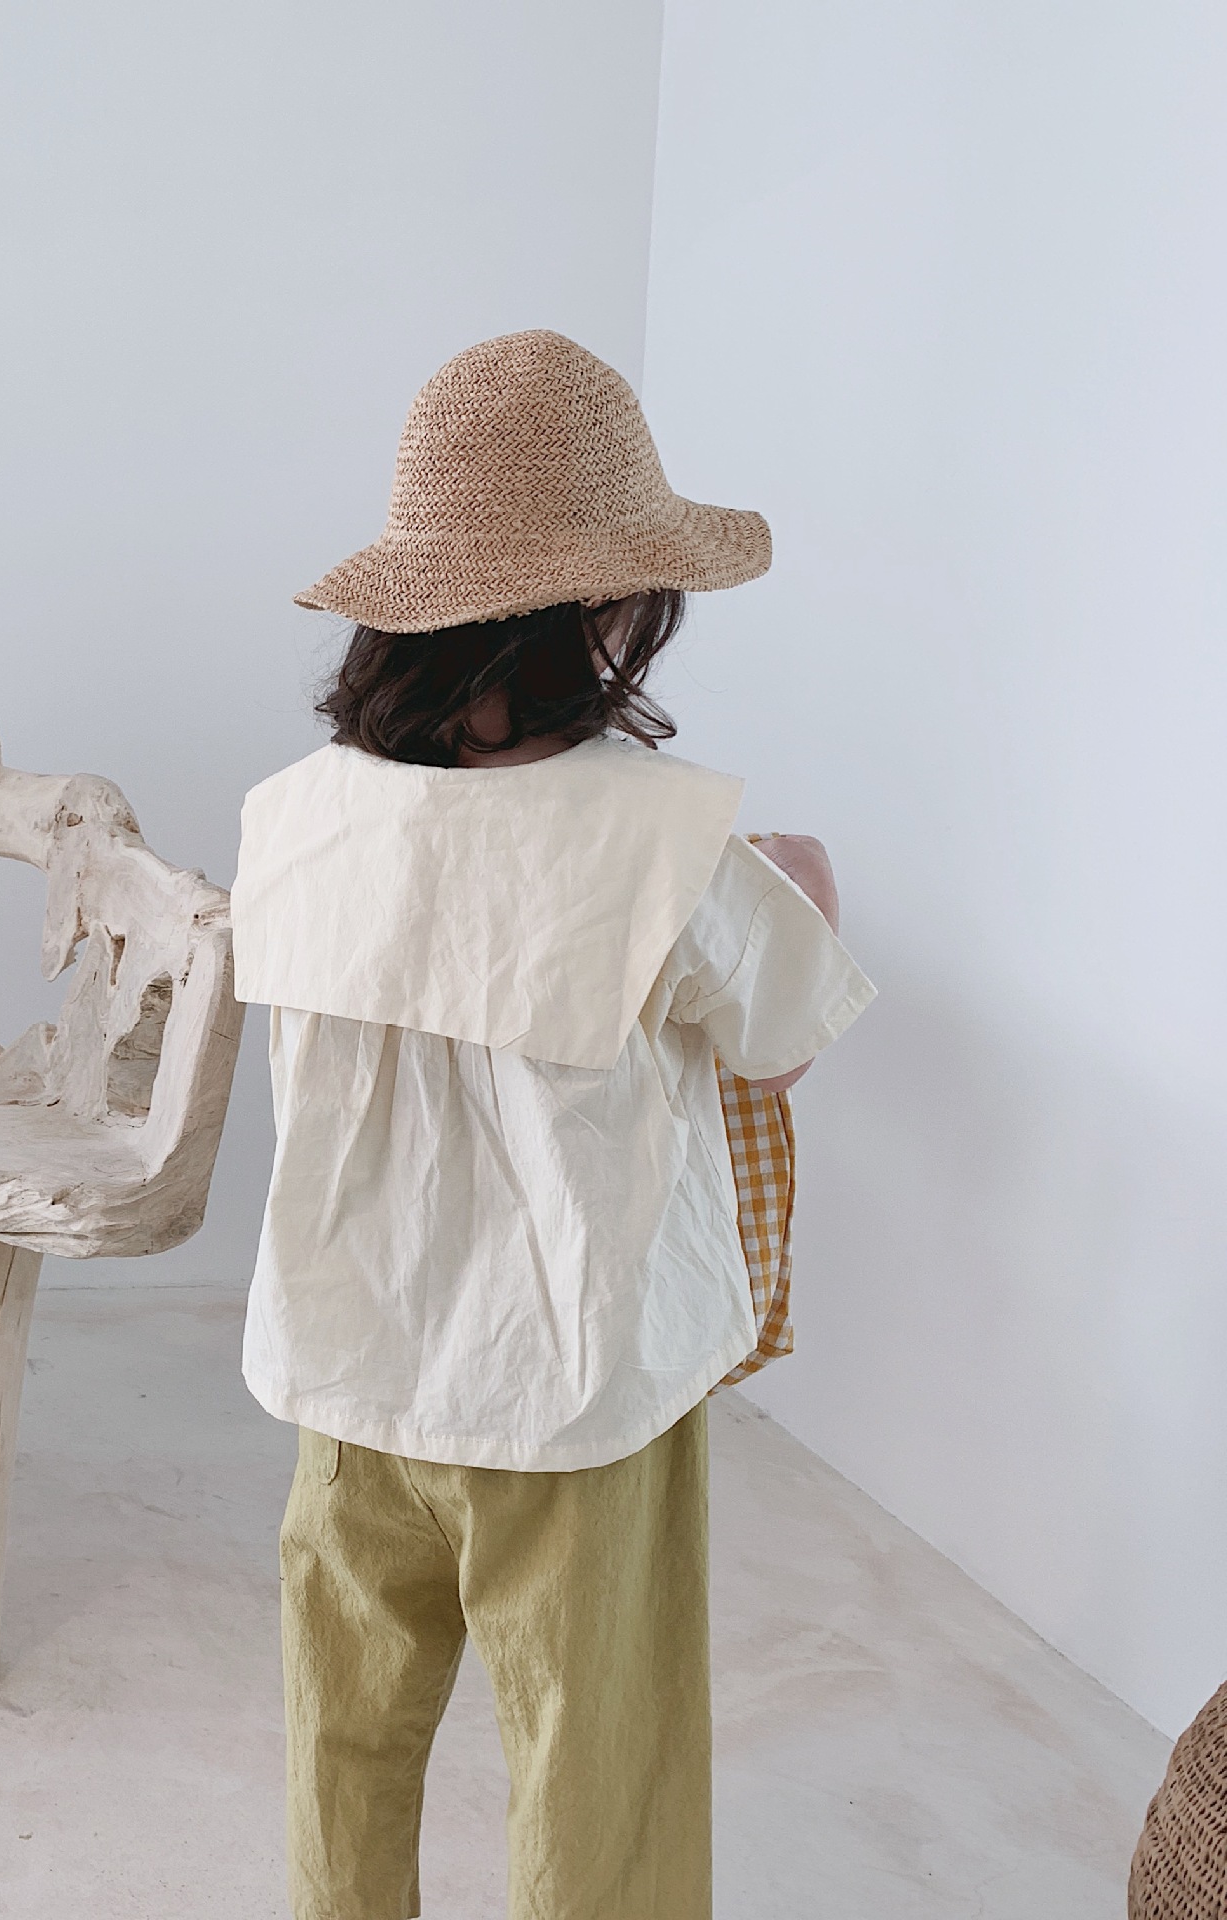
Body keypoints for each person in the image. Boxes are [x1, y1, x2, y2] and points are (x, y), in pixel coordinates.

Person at [229, 330, 876, 1920]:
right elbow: (784, 1041)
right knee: (601, 1770)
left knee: (342, 1744)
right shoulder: (672, 837)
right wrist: (802, 874)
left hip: (352, 1371)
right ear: (607, 608)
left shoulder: (290, 816)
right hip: (574, 1387)